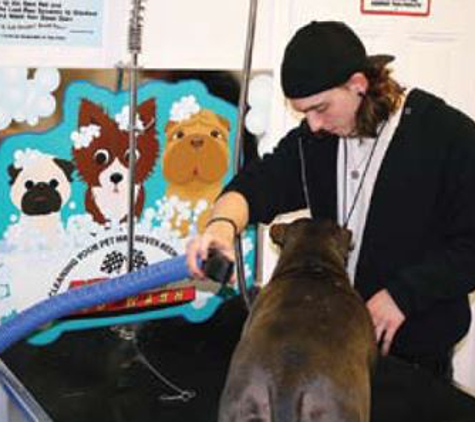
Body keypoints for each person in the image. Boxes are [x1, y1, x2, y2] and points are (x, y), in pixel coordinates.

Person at [186, 20, 475, 380]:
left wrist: (403, 295)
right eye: (303, 112)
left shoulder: (448, 136)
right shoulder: (316, 140)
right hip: (337, 350)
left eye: (320, 108)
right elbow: (257, 184)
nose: (313, 125)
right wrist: (221, 227)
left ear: (358, 84)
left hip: (416, 354)